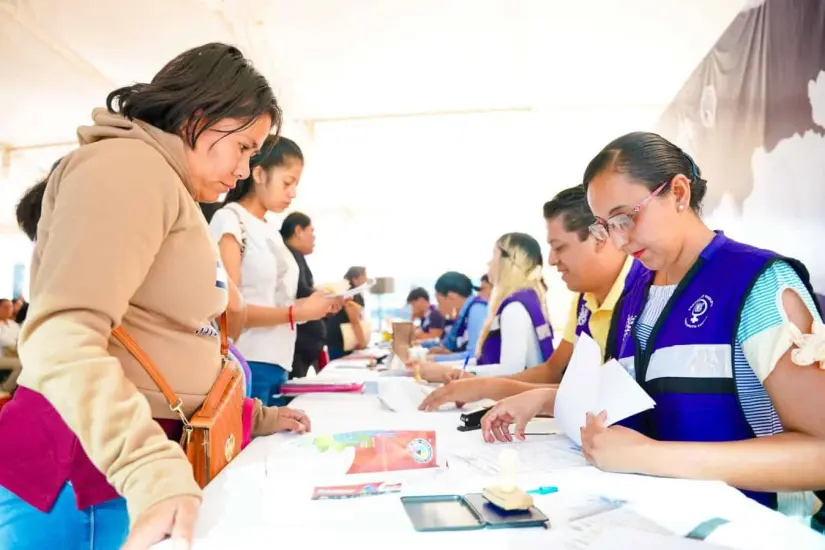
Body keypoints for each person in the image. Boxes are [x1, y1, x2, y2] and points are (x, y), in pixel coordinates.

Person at [0, 43, 312, 550]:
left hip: (118, 468)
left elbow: (169, 337)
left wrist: (249, 416)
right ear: (200, 115)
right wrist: (149, 468)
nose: (242, 170)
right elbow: (62, 336)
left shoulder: (167, 187)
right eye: (244, 147)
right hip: (86, 474)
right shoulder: (126, 166)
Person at [481, 132, 825, 519]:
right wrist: (546, 399)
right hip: (655, 520)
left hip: (754, 528)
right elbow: (634, 396)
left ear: (679, 193)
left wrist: (652, 457)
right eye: (605, 226)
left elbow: (819, 453)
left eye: (626, 217)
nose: (620, 240)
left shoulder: (757, 284)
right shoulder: (638, 291)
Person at [420, 186, 643, 410]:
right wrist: (480, 384)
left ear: (600, 237)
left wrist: (484, 387)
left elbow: (614, 399)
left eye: (559, 247)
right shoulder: (584, 300)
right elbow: (552, 370)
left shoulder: (646, 294)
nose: (552, 260)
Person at [211, 137, 337, 404]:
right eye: (287, 182)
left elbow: (274, 301)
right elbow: (227, 309)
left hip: (279, 360)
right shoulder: (230, 220)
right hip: (247, 360)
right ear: (258, 174)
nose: (292, 193)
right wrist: (297, 312)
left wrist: (314, 306)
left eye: (296, 185)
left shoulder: (270, 230)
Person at [415, 233, 554, 382]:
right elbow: (487, 363)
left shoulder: (514, 309)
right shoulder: (526, 300)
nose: (489, 263)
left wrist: (451, 371)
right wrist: (445, 367)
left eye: (494, 256)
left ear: (508, 262)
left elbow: (511, 369)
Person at [281, 211, 327, 379]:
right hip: (298, 345)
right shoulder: (290, 256)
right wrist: (324, 297)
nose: (314, 237)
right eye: (311, 231)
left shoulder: (295, 256)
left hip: (303, 345)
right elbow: (297, 293)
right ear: (298, 231)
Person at [425, 272, 489, 362]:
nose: (438, 308)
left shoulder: (477, 310)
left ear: (451, 297)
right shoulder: (463, 315)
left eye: (439, 302)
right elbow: (447, 343)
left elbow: (474, 355)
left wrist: (434, 358)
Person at [326, 266, 370, 360]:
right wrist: (363, 344)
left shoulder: (351, 292)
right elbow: (354, 320)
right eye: (364, 276)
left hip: (341, 339)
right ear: (354, 278)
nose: (366, 279)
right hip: (341, 341)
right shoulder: (349, 294)